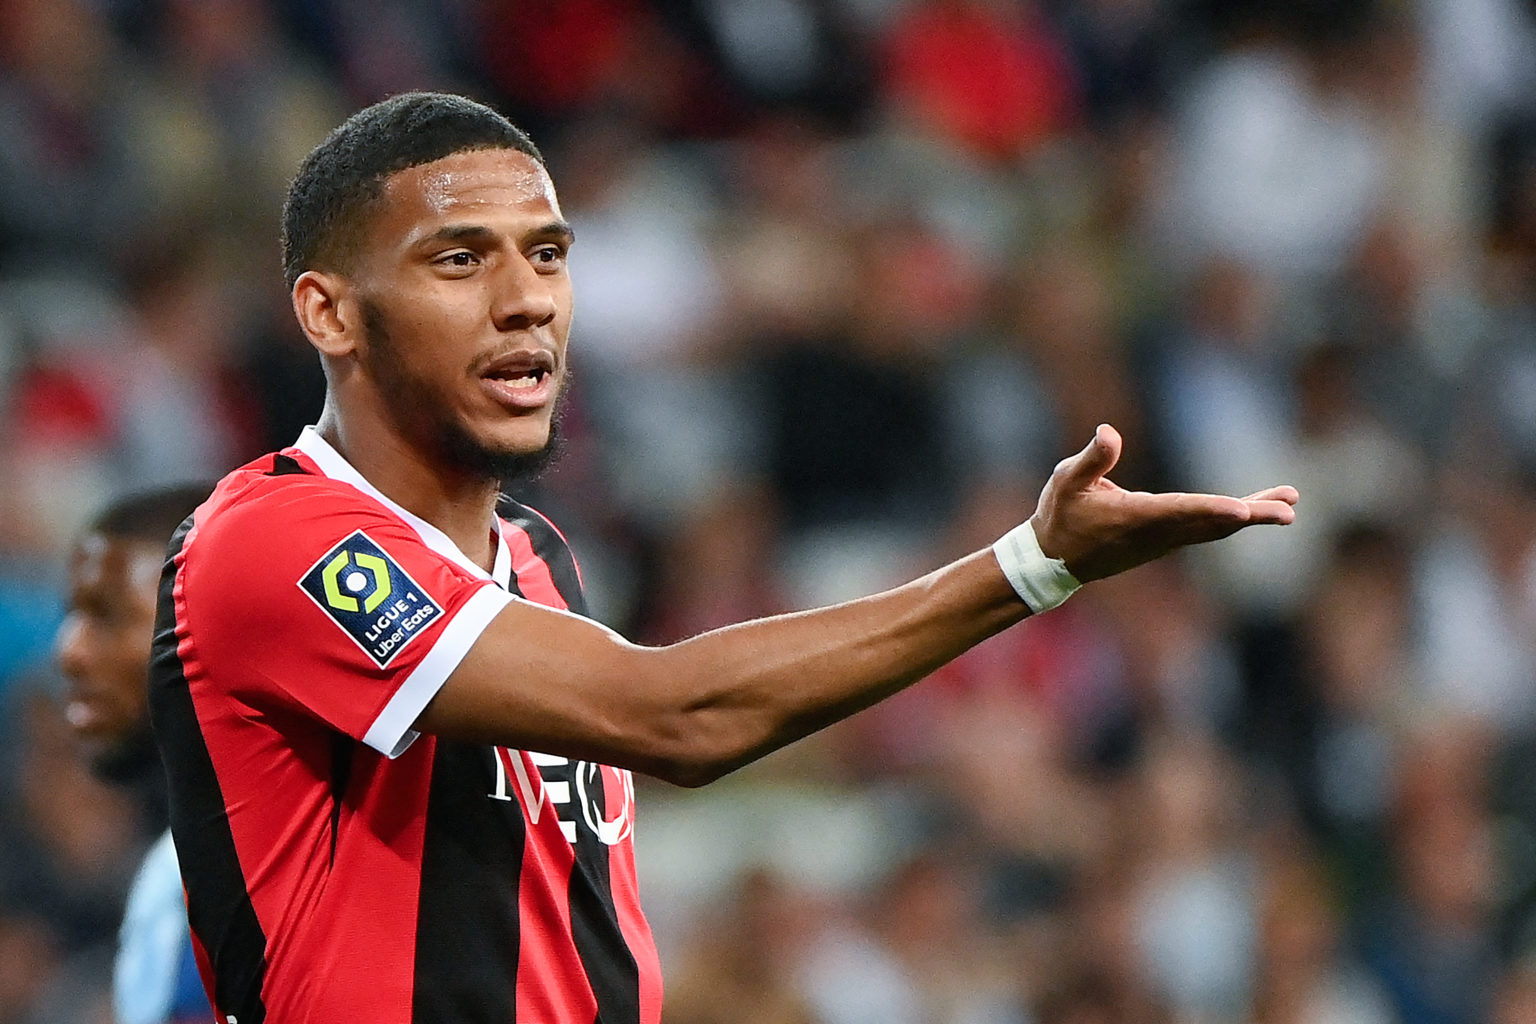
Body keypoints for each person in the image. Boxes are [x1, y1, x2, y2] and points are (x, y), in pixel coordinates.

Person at [147, 91, 1298, 1024]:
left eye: (547, 255)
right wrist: (1027, 567)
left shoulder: (537, 556)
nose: (526, 302)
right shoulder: (273, 538)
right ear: (328, 313)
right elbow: (679, 719)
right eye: (461, 261)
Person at [56, 485, 214, 1024]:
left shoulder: (337, 872)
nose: (69, 651)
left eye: (107, 614)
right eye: (73, 613)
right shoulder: (170, 877)